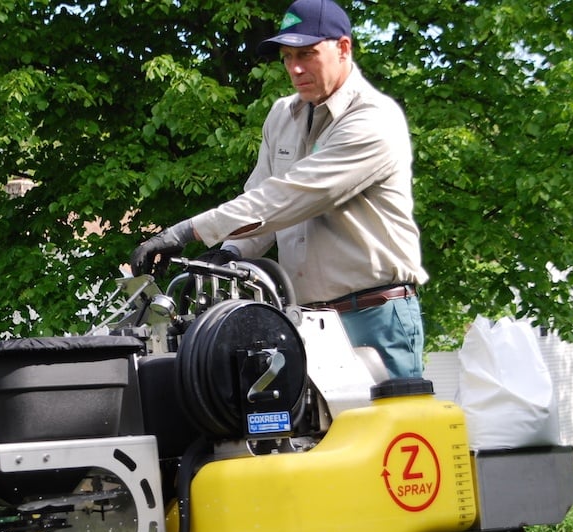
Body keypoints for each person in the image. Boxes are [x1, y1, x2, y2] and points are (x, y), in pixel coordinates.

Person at [129, 0, 427, 378]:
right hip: (306, 321)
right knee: (311, 435)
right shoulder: (281, 116)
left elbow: (286, 198)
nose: (295, 68)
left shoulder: (373, 119)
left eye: (307, 54)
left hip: (374, 315)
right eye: (287, 57)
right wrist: (228, 255)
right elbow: (258, 203)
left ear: (344, 48)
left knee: (388, 434)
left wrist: (185, 232)